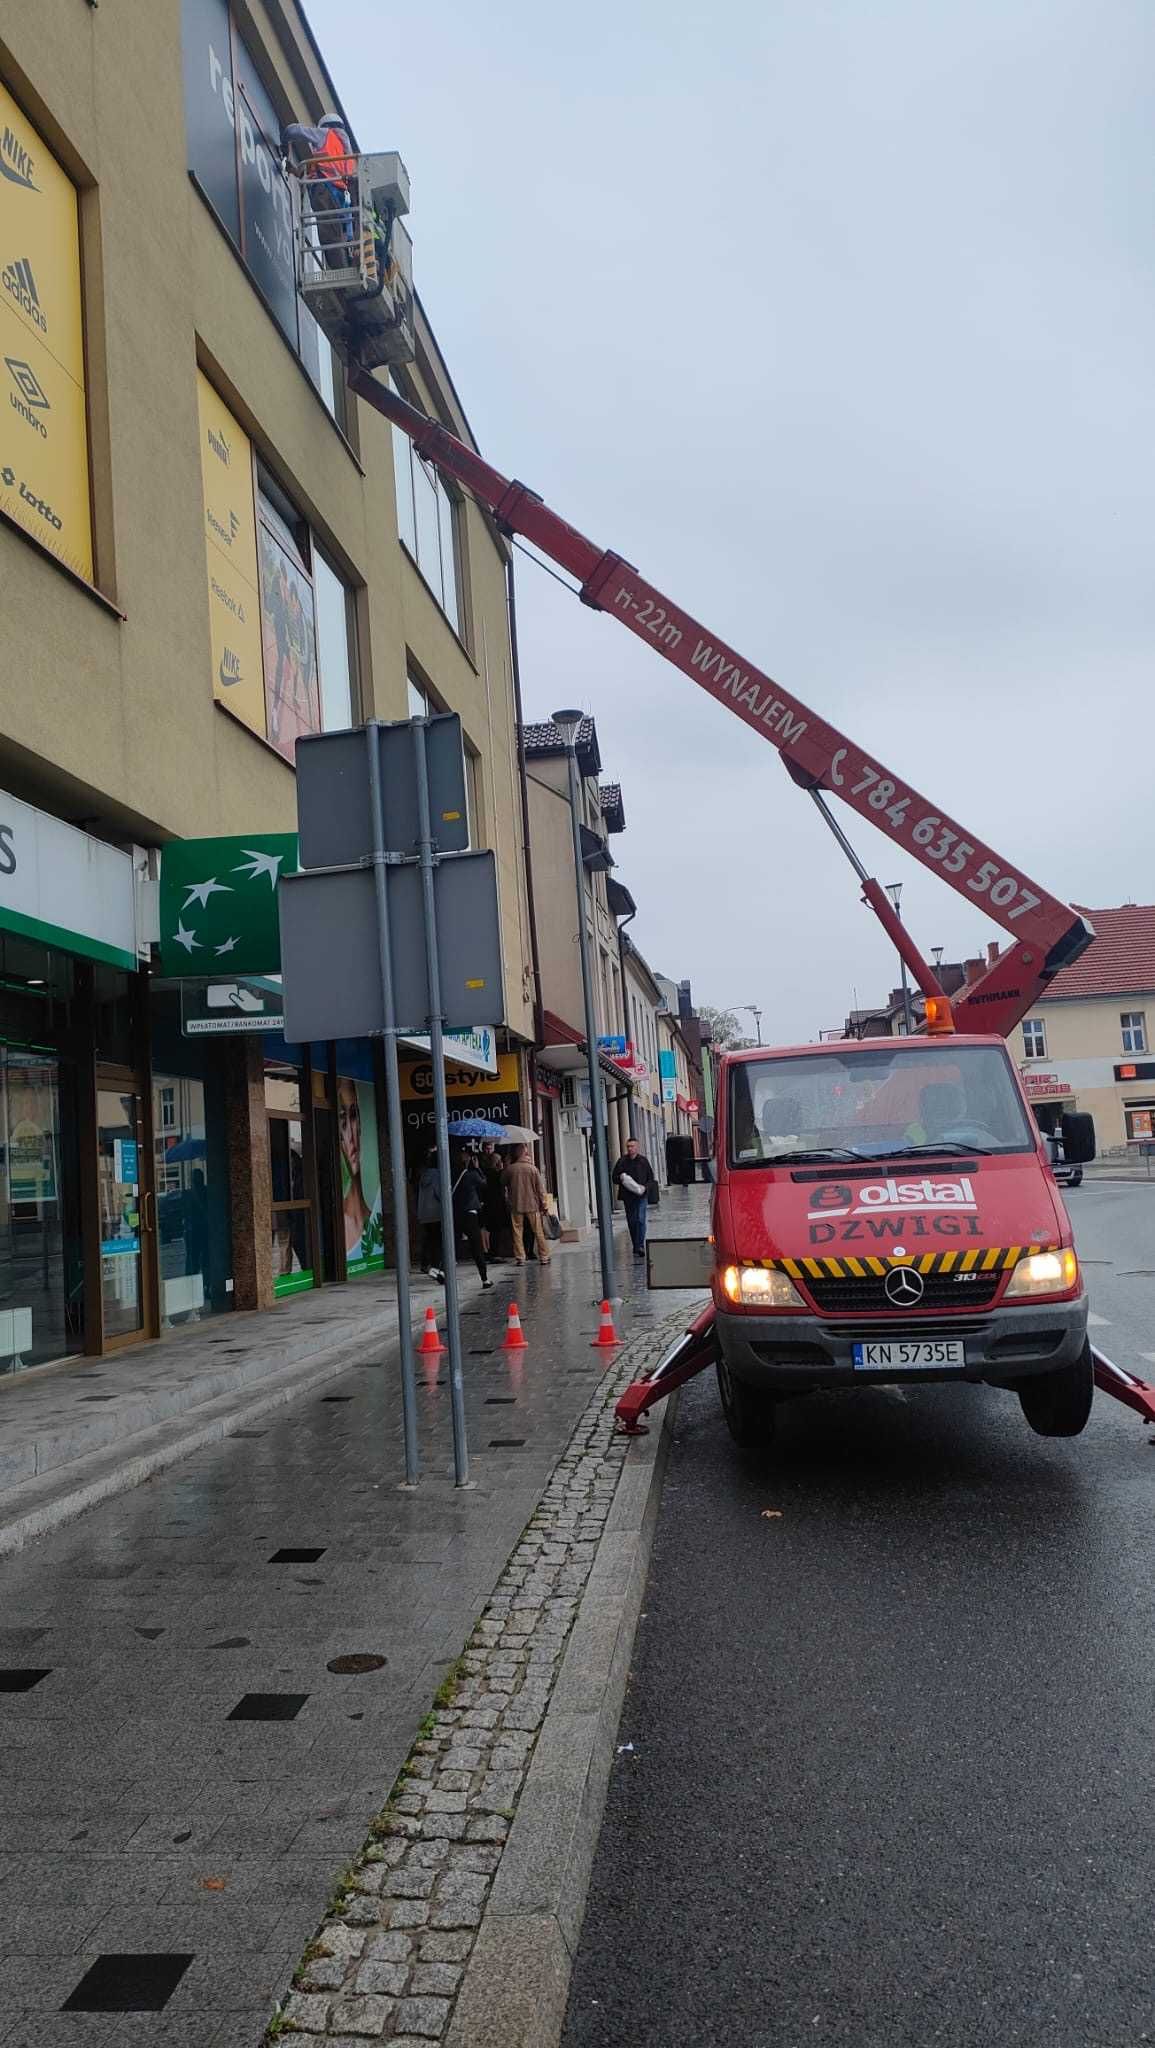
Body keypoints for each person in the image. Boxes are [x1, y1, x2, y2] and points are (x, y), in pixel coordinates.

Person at [501, 1145, 552, 1266]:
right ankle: (544, 1256)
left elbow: (502, 1182)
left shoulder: (510, 1169)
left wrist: (506, 1165)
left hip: (516, 1205)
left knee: (517, 1232)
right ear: (524, 1153)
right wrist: (544, 1205)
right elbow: (540, 1190)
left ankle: (520, 1258)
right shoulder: (533, 1169)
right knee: (538, 1231)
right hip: (532, 1205)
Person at [453, 1151, 493, 1288]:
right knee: (477, 1247)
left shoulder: (452, 1175)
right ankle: (484, 1278)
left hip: (456, 1214)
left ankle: (442, 1270)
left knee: (454, 1244)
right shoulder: (471, 1175)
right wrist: (477, 1167)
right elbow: (484, 1184)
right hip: (470, 1214)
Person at [612, 1136, 657, 1258]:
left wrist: (645, 1188)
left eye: (632, 1146)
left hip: (641, 1196)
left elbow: (651, 1179)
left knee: (640, 1219)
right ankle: (636, 1245)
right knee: (632, 1222)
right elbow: (614, 1178)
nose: (630, 1149)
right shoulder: (622, 1161)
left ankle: (640, 1245)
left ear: (637, 1147)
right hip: (628, 1197)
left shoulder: (643, 1161)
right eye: (628, 1146)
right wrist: (621, 1178)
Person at [415, 1147, 444, 1280]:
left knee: (429, 1239)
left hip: (424, 1213)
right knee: (437, 1240)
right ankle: (436, 1265)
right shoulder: (438, 1174)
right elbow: (440, 1193)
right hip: (436, 1212)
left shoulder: (423, 1175)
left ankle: (426, 1263)